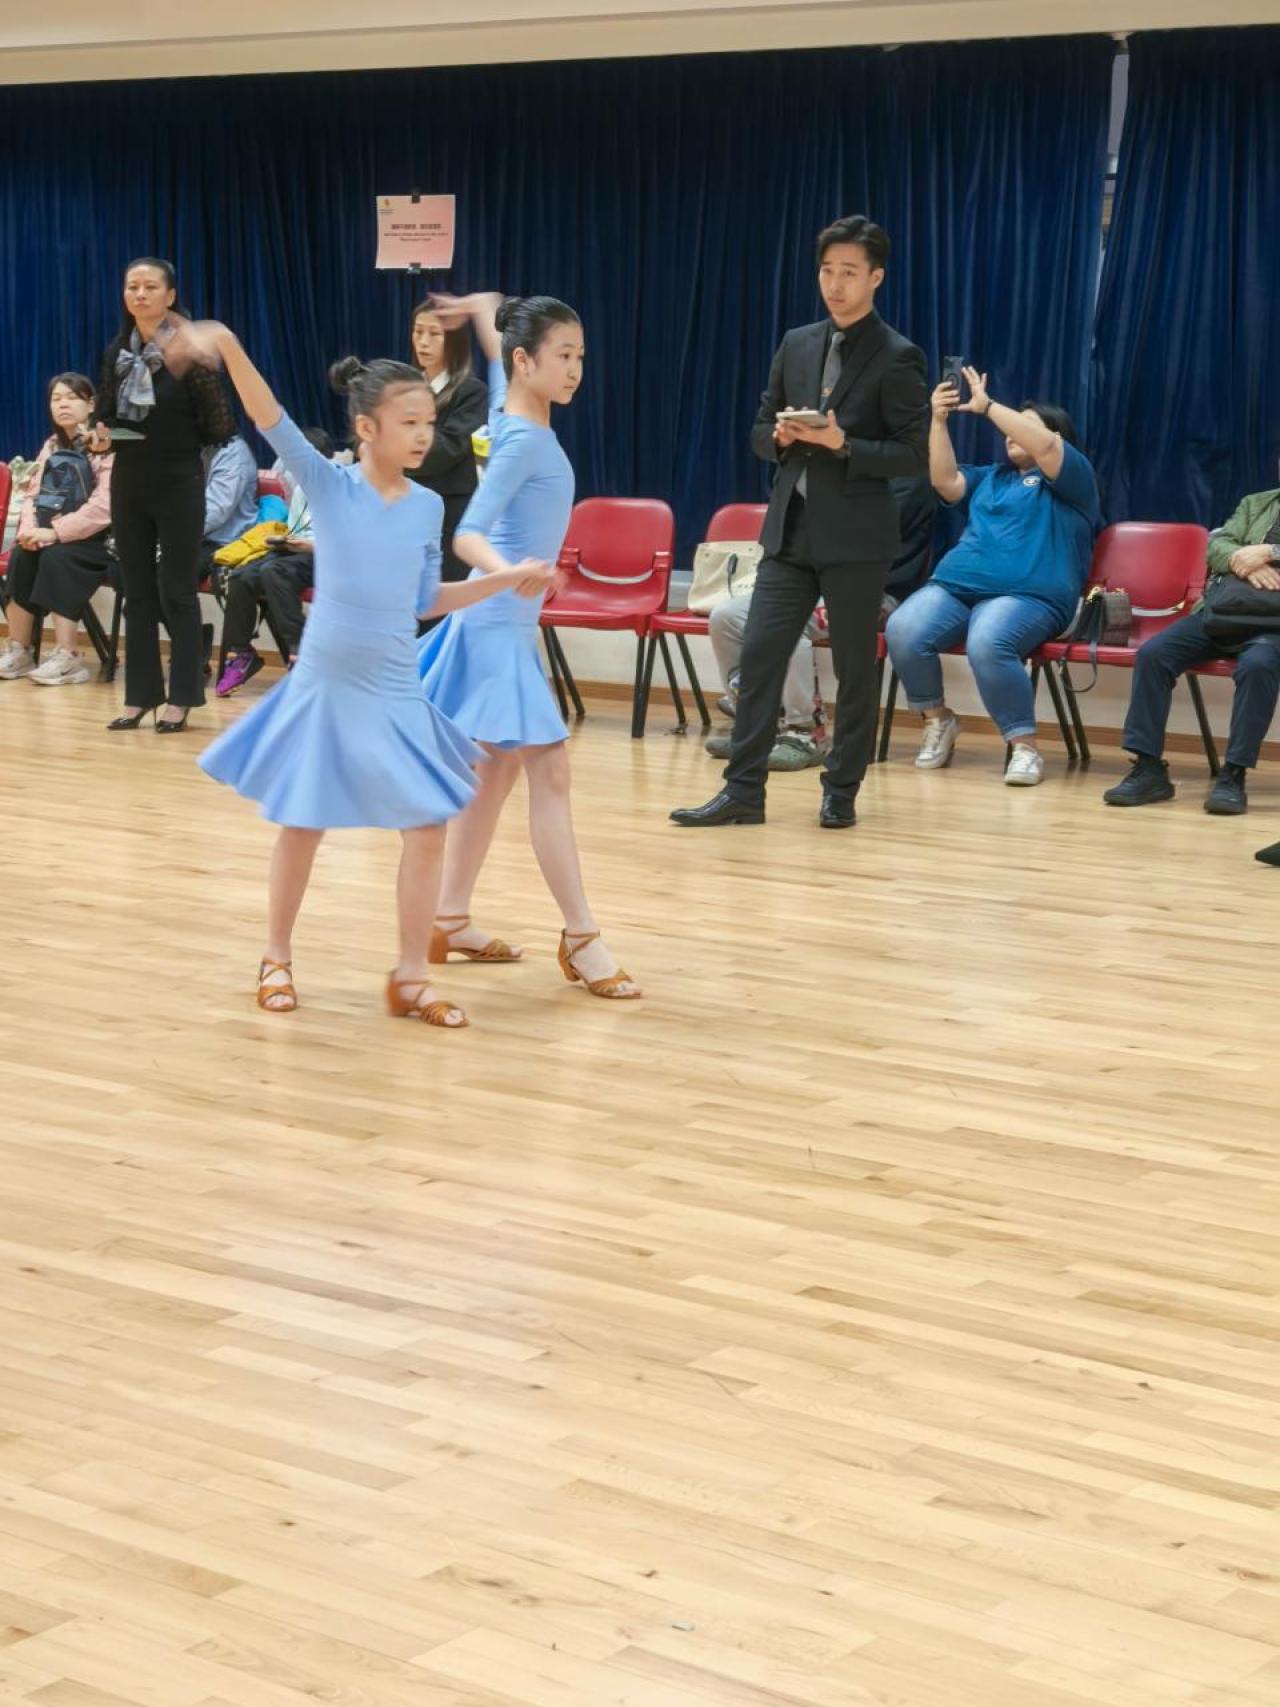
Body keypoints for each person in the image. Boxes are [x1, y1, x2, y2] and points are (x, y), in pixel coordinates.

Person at [165, 319, 555, 1025]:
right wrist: (228, 345)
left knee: (428, 827)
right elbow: (268, 416)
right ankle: (276, 956)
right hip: (328, 685)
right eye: (409, 423)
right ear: (367, 428)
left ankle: (411, 977)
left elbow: (424, 600)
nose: (424, 435)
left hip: (396, 688)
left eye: (429, 422)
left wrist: (504, 579)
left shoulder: (429, 505)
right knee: (303, 822)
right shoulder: (330, 484)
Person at [671, 214, 928, 830]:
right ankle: (743, 792)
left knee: (854, 673)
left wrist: (844, 443)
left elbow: (911, 454)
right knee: (760, 655)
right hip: (791, 531)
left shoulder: (898, 356)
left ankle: (841, 790)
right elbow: (760, 428)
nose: (835, 285)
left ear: (876, 278)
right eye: (827, 271)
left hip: (857, 540)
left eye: (849, 273)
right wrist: (781, 438)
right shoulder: (798, 342)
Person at [417, 291, 640, 999]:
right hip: (494, 625)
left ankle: (448, 919)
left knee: (495, 771)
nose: (576, 369)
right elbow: (467, 534)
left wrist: (483, 307)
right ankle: (582, 938)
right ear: (527, 360)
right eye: (563, 355)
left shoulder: (509, 413)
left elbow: (495, 347)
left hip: (502, 623)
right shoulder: (523, 441)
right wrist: (511, 572)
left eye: (581, 356)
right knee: (550, 771)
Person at [885, 368, 1101, 786]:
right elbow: (944, 481)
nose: (1010, 433)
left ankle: (1024, 747)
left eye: (1023, 424)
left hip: (1030, 596)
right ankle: (938, 719)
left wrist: (988, 408)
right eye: (1009, 426)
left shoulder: (1072, 477)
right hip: (956, 587)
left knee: (988, 641)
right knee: (903, 629)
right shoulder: (991, 476)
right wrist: (939, 420)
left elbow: (1047, 446)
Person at [86, 257, 236, 732]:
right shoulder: (117, 350)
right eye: (132, 286)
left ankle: (183, 697)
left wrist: (170, 436)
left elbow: (219, 425)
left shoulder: (189, 349)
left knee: (177, 591)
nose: (140, 294)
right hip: (129, 481)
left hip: (178, 481)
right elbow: (107, 415)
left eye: (150, 287)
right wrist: (101, 436)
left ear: (170, 296)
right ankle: (140, 696)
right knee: (136, 591)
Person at [704, 470, 938, 770]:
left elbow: (863, 534)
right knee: (725, 617)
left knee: (788, 622)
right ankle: (757, 727)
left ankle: (805, 733)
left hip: (874, 594)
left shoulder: (907, 478)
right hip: (814, 585)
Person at [1106, 477, 1280, 817]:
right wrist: (1239, 558)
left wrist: (1269, 552)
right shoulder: (1256, 502)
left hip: (1273, 624)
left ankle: (1233, 775)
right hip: (1225, 611)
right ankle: (1148, 768)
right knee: (1154, 655)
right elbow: (1217, 546)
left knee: (1258, 665)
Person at [0, 373, 114, 686]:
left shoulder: (106, 444)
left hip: (101, 540)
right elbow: (32, 495)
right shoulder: (52, 445)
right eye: (56, 398)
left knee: (58, 557)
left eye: (72, 397)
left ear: (91, 404)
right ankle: (20, 650)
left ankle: (69, 656)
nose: (63, 404)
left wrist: (56, 532)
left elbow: (105, 505)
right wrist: (29, 531)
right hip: (52, 535)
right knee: (23, 554)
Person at [216, 427, 335, 696]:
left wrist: (309, 545)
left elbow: (348, 542)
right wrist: (287, 540)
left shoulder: (340, 488)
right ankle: (242, 653)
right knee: (241, 576)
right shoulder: (301, 485)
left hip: (325, 556)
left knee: (274, 571)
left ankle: (302, 654)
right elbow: (297, 527)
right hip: (295, 549)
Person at [407, 297, 489, 583]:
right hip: (406, 508)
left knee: (445, 594)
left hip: (450, 513)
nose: (423, 342)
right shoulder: (403, 387)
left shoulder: (471, 391)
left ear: (454, 341)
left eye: (434, 333)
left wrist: (393, 451)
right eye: (418, 331)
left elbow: (447, 448)